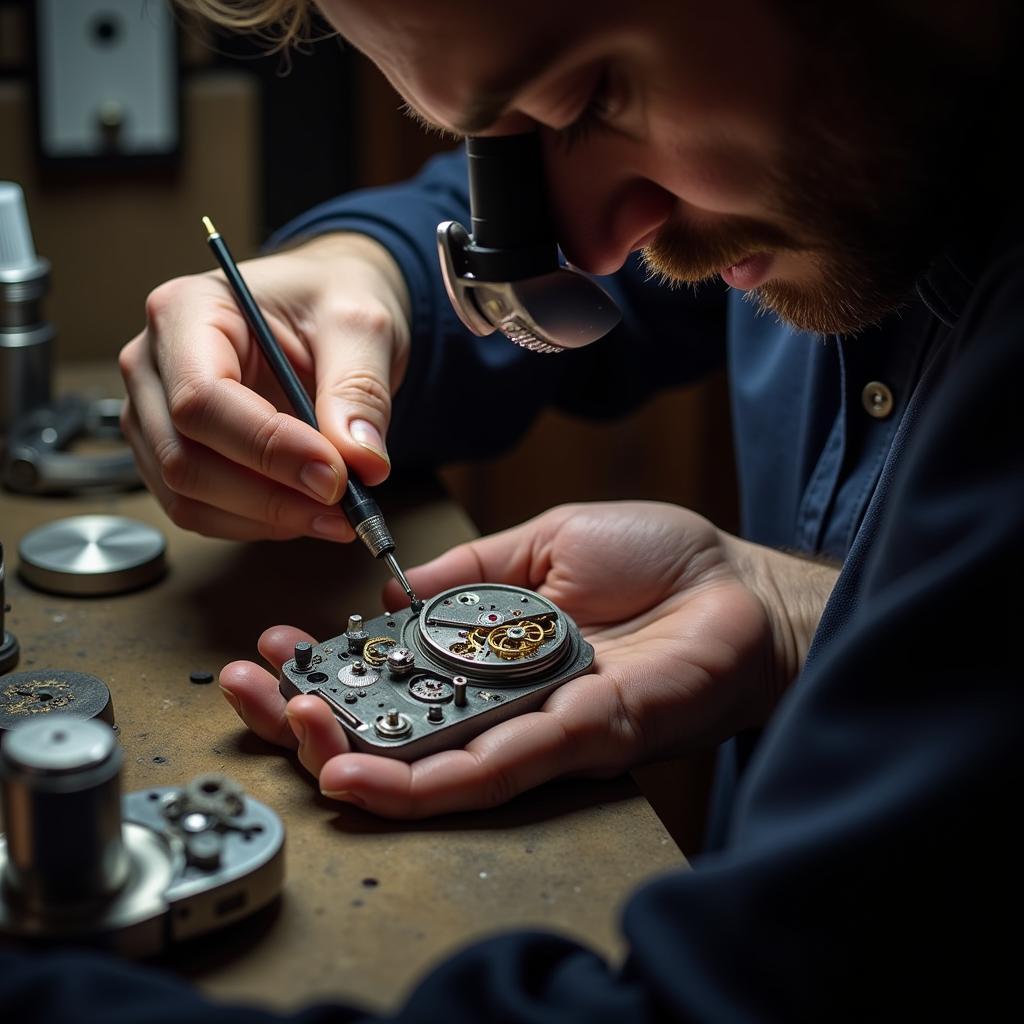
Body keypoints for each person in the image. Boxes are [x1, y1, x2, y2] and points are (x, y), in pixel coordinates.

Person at [2, 0, 1021, 1018]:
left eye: (590, 96)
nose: (577, 246)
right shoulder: (847, 130)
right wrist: (363, 279)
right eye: (492, 135)